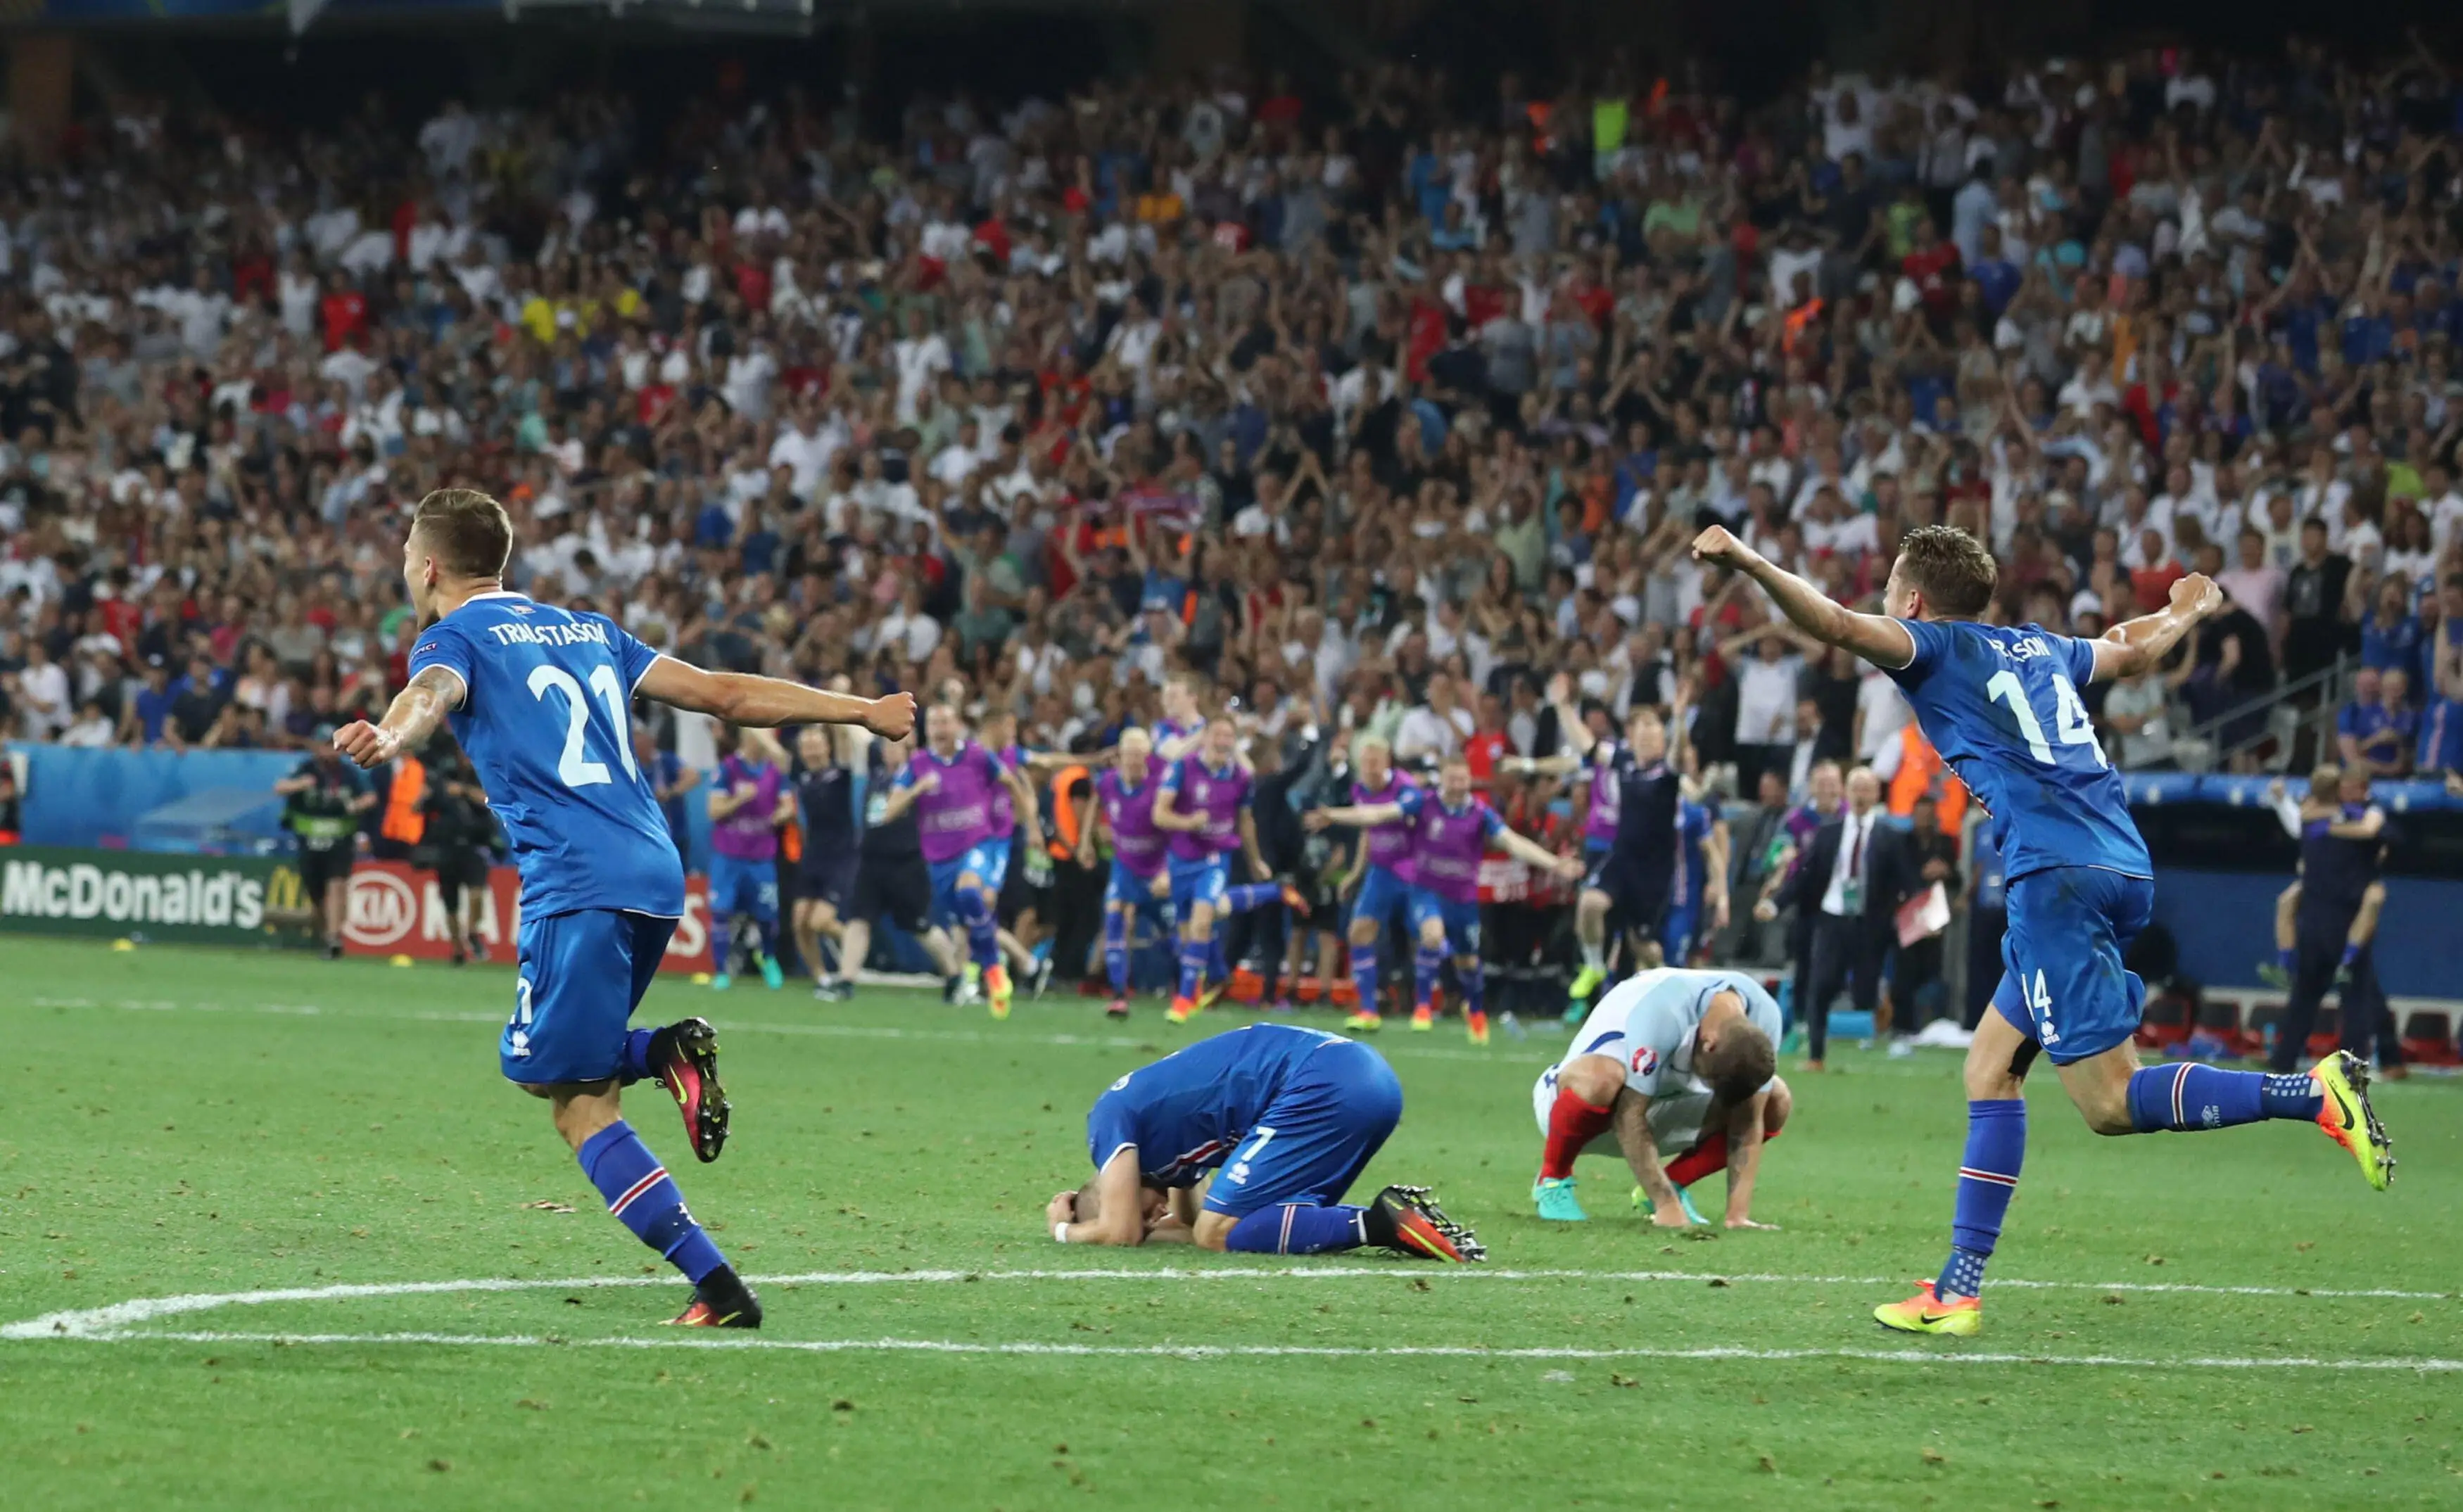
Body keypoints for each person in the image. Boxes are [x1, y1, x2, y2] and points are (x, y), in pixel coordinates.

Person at [1689, 521, 2391, 1341]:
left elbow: (1835, 625)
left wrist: (1743, 559)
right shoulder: (2037, 646)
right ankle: (1956, 1288)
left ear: (1913, 600)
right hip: (2115, 861)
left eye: (1889, 585)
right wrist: (2188, 610)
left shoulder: (1928, 648)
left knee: (2109, 1101)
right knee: (1988, 1069)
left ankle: (2309, 1094)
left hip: (2052, 878)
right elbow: (2129, 649)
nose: (1883, 598)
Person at [333, 487, 916, 1329]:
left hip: (577, 879)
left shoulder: (452, 635)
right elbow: (723, 694)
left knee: (570, 1098)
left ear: (427, 566)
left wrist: (391, 736)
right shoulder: (588, 630)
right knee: (570, 1067)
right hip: (654, 869)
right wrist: (858, 709)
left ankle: (718, 1289)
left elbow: (429, 691)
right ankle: (664, 1052)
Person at [1046, 1022, 1483, 1262]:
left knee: (1219, 1232)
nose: (1156, 1214)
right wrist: (1143, 1230)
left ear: (1110, 1192)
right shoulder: (1169, 1160)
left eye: (1142, 1210)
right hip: (1365, 1076)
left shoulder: (1108, 1120)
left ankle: (1381, 1223)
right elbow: (1185, 1229)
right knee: (1249, 1225)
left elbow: (1120, 1234)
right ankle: (1402, 1224)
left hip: (1323, 1081)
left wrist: (1064, 1230)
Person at [1308, 751, 1583, 1043]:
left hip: (1463, 899)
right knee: (1431, 935)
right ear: (1443, 780)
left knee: (1468, 962)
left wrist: (1555, 864)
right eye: (1452, 779)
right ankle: (1423, 1008)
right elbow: (1378, 814)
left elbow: (1513, 843)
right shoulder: (1424, 803)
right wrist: (1335, 815)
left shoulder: (1480, 813)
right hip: (1428, 891)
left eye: (1462, 779)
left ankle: (1476, 1011)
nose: (1457, 785)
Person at [1531, 967, 1787, 1226]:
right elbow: (1628, 1115)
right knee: (1603, 1080)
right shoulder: (1665, 1011)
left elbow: (1749, 1122)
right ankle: (1553, 1179)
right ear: (1709, 1044)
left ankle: (1672, 1184)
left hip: (1660, 1110)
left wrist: (1737, 1215)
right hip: (1586, 1114)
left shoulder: (1765, 1016)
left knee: (1776, 1100)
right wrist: (1667, 1207)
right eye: (1708, 1080)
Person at [1522, 675, 1688, 1019]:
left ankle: (1674, 996)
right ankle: (1595, 966)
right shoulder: (1625, 761)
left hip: (1654, 871)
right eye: (1638, 727)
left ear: (1661, 735)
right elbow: (1587, 747)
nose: (1643, 732)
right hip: (1622, 858)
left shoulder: (1666, 772)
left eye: (1651, 727)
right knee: (1590, 904)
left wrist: (1682, 716)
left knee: (1645, 948)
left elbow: (1677, 754)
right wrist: (1564, 706)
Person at [1764, 765, 1919, 1067]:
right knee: (1820, 986)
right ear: (1848, 793)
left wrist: (1923, 914)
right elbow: (1803, 877)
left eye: (1867, 789)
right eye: (1856, 789)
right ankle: (1816, 1055)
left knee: (1865, 990)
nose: (1861, 796)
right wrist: (1775, 904)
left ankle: (1886, 1016)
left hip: (1870, 923)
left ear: (1876, 794)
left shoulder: (1891, 837)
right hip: (1832, 919)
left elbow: (1908, 882)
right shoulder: (1828, 834)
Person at [1151, 713, 1297, 1024]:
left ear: (1234, 742)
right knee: (1189, 932)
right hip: (1181, 861)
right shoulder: (1183, 767)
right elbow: (1160, 815)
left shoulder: (1241, 778)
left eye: (1228, 737)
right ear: (1205, 738)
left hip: (1215, 860)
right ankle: (1219, 973)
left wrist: (1256, 859)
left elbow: (1246, 822)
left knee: (1202, 924)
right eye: (1217, 735)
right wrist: (1188, 822)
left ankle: (1184, 1000)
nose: (1222, 742)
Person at [877, 704, 1018, 1017]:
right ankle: (985, 974)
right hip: (938, 861)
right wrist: (917, 791)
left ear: (957, 726)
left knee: (971, 893)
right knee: (963, 921)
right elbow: (888, 812)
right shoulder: (917, 765)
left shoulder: (978, 756)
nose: (939, 729)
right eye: (934, 723)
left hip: (976, 846)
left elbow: (1010, 781)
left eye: (945, 722)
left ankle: (994, 971)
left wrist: (1030, 822)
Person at [2272, 768, 2405, 1079]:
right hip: (2334, 919)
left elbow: (2384, 836)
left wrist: (2331, 825)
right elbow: (2383, 836)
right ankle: (2344, 1063)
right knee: (2348, 995)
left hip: (2331, 919)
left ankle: (2290, 1060)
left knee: (2330, 994)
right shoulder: (2336, 818)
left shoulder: (2329, 820)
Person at [836, 733, 964, 1002]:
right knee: (859, 920)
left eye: (895, 745)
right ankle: (845, 981)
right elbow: (855, 742)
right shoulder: (878, 774)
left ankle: (955, 976)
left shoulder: (920, 776)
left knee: (920, 926)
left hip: (906, 861)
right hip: (872, 860)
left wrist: (915, 791)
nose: (889, 751)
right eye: (885, 746)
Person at [1325, 732, 1419, 1031]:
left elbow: (1380, 817)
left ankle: (1432, 1002)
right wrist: (1355, 873)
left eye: (1375, 761)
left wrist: (1333, 816)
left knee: (1427, 937)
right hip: (1380, 871)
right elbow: (1368, 829)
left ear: (1387, 760)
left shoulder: (1406, 787)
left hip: (1412, 870)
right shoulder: (1360, 789)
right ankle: (1368, 1009)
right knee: (1358, 933)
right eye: (1365, 762)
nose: (1370, 767)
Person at [1084, 727, 1172, 1018]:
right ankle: (1119, 993)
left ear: (1147, 756)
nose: (1133, 760)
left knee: (1177, 928)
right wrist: (1088, 839)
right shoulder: (1109, 782)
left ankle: (1196, 985)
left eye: (1139, 754)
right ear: (1119, 755)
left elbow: (1173, 832)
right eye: (1129, 754)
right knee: (1115, 918)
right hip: (1125, 868)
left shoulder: (1160, 787)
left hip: (1157, 870)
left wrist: (1168, 870)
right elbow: (1097, 801)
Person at [706, 725, 793, 991]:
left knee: (767, 916)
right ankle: (721, 970)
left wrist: (780, 816)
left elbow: (788, 806)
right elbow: (713, 811)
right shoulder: (728, 769)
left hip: (761, 857)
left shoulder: (774, 770)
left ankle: (767, 958)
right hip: (729, 856)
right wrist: (738, 800)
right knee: (721, 912)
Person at [273, 737, 375, 959]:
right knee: (316, 894)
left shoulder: (348, 772)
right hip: (310, 843)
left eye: (335, 746)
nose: (331, 751)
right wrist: (302, 784)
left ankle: (334, 938)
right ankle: (326, 934)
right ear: (317, 748)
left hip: (340, 840)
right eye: (326, 746)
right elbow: (279, 787)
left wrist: (355, 806)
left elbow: (370, 797)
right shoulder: (305, 769)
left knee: (336, 885)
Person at [790, 720, 861, 1000]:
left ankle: (855, 953)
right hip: (813, 857)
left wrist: (838, 708)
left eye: (816, 744)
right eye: (806, 746)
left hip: (841, 857)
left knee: (821, 922)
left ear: (827, 746)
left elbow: (845, 740)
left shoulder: (841, 774)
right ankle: (821, 977)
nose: (811, 750)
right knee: (800, 923)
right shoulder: (802, 778)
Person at [417, 735, 498, 965]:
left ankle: (472, 931)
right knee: (450, 902)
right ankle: (457, 949)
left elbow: (489, 801)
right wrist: (426, 797)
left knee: (476, 893)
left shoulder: (484, 774)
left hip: (474, 844)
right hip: (447, 847)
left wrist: (462, 791)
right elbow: (419, 807)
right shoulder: (441, 777)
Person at [1660, 791, 1731, 969]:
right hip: (1652, 900)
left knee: (1678, 959)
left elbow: (1714, 856)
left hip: (1683, 900)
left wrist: (1722, 897)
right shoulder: (1643, 810)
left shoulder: (1693, 814)